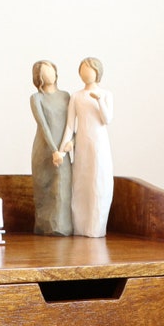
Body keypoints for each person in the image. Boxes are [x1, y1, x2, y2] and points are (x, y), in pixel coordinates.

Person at [60, 57, 113, 237]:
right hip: (81, 144)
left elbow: (106, 119)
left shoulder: (105, 94)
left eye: (89, 68)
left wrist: (99, 101)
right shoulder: (76, 96)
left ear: (97, 71)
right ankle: (80, 226)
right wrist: (62, 149)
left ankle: (96, 227)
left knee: (99, 180)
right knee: (81, 182)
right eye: (82, 68)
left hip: (99, 144)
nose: (85, 72)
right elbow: (69, 125)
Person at [29, 60, 73, 236]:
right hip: (45, 150)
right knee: (44, 190)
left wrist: (70, 143)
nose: (50, 75)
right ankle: (44, 226)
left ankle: (62, 226)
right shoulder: (36, 98)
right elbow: (43, 126)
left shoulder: (66, 96)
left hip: (63, 150)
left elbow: (72, 124)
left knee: (62, 188)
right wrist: (54, 150)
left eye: (51, 70)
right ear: (39, 77)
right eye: (45, 72)